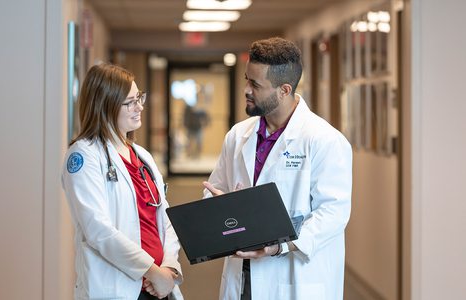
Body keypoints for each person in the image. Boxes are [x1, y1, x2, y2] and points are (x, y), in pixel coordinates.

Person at [203, 37, 352, 300]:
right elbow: (217, 189)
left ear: (284, 90)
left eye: (255, 84)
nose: (247, 90)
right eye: (247, 80)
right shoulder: (239, 135)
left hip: (295, 278)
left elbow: (333, 213)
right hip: (244, 276)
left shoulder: (324, 140)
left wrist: (277, 246)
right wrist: (221, 208)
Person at [62, 63, 183, 300]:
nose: (139, 107)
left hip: (159, 287)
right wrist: (151, 270)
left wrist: (168, 268)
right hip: (118, 288)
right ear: (105, 105)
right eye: (130, 102)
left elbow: (165, 219)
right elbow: (98, 229)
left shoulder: (142, 156)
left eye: (139, 98)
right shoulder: (83, 156)